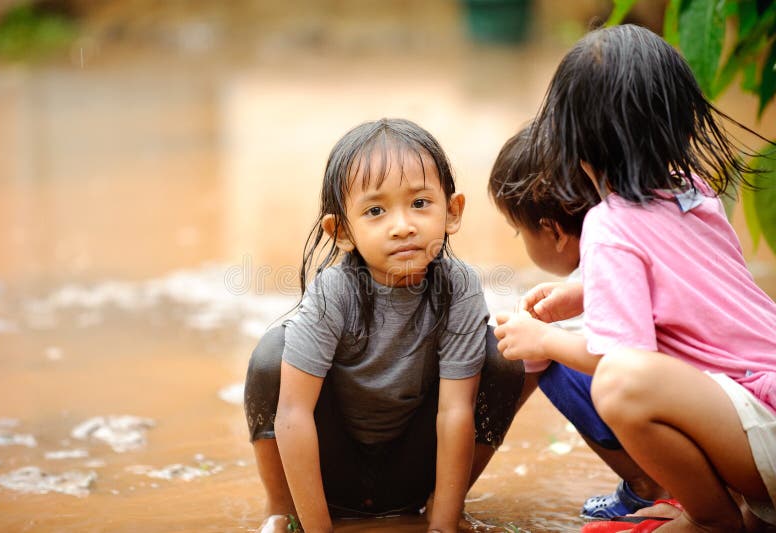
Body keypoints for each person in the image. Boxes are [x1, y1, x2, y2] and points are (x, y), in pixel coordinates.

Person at [496, 24, 776, 533]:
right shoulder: (692, 190)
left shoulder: (609, 225)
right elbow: (693, 287)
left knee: (620, 384)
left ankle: (711, 518)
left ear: (573, 141)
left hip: (763, 426)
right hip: (762, 408)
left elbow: (622, 362)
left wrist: (544, 340)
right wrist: (585, 293)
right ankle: (741, 509)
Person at [244, 118, 524, 533]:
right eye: (376, 211)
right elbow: (293, 412)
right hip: (331, 466)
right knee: (272, 357)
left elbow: (455, 411)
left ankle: (443, 502)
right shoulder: (334, 292)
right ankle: (284, 512)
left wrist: (442, 527)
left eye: (420, 203)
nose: (403, 226)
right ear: (341, 232)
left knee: (502, 356)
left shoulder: (458, 287)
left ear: (452, 212)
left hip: (410, 468)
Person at [487, 124, 669, 520]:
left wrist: (541, 341)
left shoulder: (603, 258)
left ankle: (648, 486)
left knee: (554, 361)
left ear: (553, 231)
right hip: (724, 405)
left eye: (519, 232)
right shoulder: (650, 224)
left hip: (679, 413)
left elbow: (627, 359)